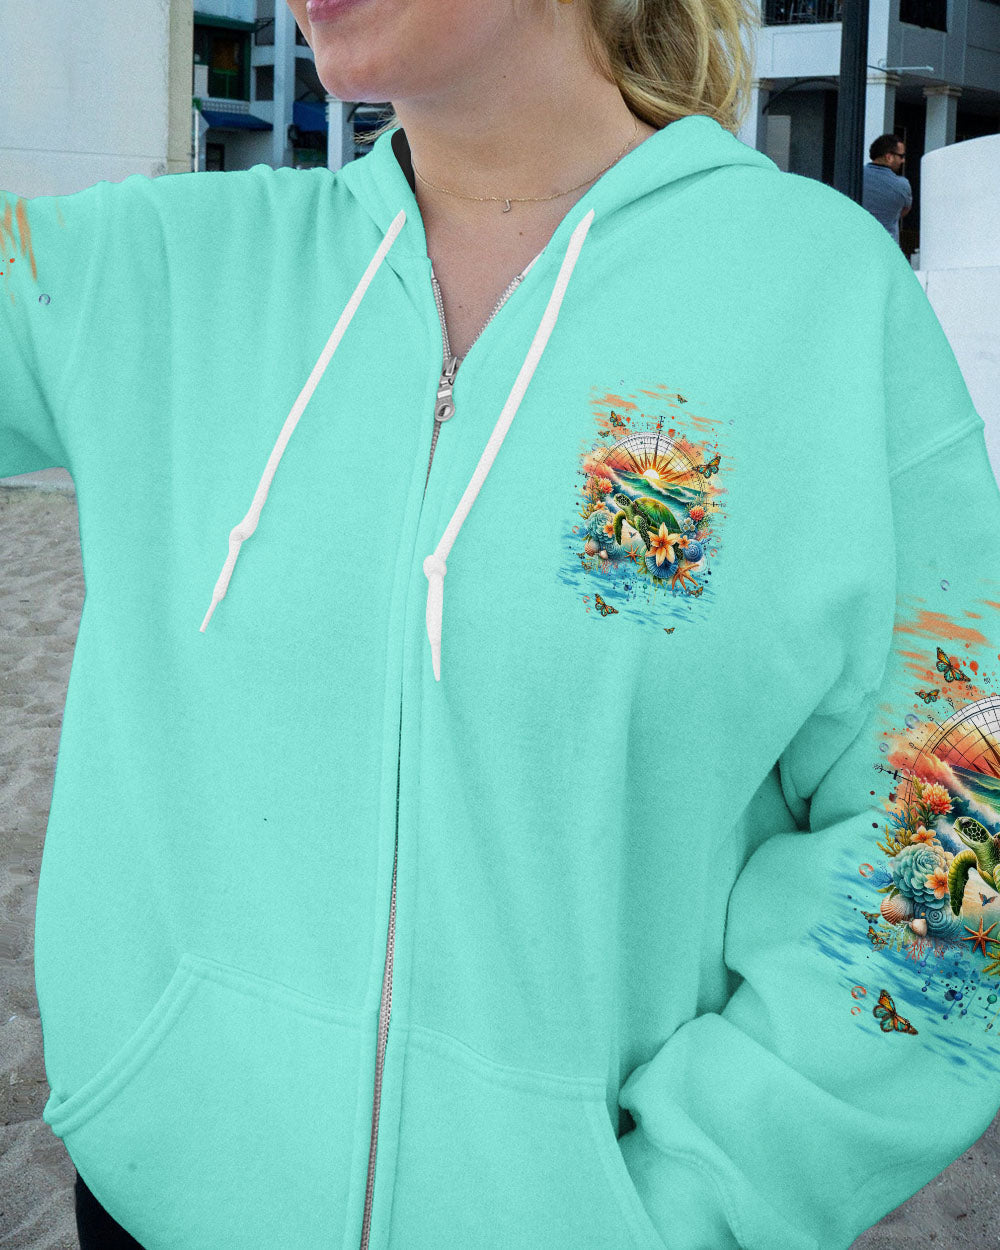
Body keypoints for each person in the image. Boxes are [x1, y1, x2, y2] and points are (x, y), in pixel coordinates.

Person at [2, 0, 1000, 1246]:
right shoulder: (155, 274)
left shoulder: (820, 301)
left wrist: (693, 1201)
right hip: (154, 1199)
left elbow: (960, 827)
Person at [862, 132, 913, 243]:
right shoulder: (902, 185)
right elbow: (904, 210)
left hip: (857, 242)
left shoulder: (856, 175)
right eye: (901, 156)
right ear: (889, 157)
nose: (903, 160)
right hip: (887, 246)